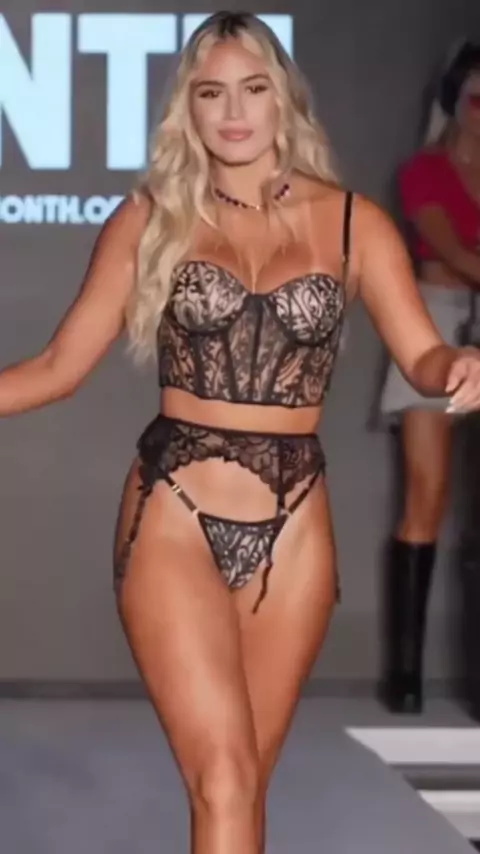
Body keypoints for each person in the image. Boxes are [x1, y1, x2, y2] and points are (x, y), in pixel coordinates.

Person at [2, 12, 480, 853]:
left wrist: (459, 365)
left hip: (297, 523)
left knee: (245, 790)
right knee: (223, 781)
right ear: (186, 107)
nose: (233, 111)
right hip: (176, 507)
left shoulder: (352, 222)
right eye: (210, 92)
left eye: (252, 89)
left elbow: (422, 354)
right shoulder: (151, 217)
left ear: (282, 99)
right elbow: (56, 368)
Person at [379, 42, 480, 715]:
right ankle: (405, 674)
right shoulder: (425, 170)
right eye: (476, 97)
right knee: (427, 495)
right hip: (434, 321)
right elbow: (449, 251)